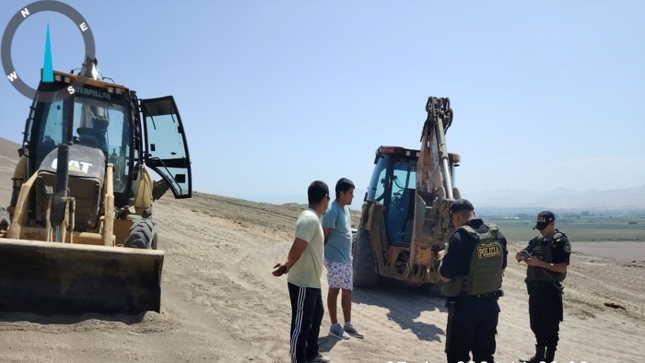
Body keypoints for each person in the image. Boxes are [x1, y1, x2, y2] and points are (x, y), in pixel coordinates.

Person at [438, 199, 508, 363]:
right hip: (491, 306)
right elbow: (502, 268)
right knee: (484, 356)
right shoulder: (497, 235)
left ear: (455, 217)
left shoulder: (458, 238)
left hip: (465, 308)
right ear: (473, 212)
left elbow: (445, 276)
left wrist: (441, 259)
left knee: (458, 355)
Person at [272, 180, 331, 363]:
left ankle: (312, 353)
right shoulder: (310, 219)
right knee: (302, 323)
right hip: (302, 282)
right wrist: (286, 266)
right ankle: (298, 359)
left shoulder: (313, 218)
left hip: (311, 281)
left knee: (317, 314)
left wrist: (286, 262)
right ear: (325, 198)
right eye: (328, 199)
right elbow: (297, 247)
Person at [516, 211, 571, 363]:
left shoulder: (560, 242)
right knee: (536, 324)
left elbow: (562, 268)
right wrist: (520, 256)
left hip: (550, 290)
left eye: (543, 226)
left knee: (551, 327)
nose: (541, 230)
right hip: (535, 290)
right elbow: (521, 257)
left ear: (552, 224)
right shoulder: (537, 240)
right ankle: (539, 356)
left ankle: (549, 358)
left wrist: (539, 263)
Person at [322, 178, 363, 340]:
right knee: (334, 290)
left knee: (347, 291)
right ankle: (334, 326)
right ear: (341, 193)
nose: (353, 196)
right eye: (350, 193)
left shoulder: (345, 210)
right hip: (334, 260)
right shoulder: (332, 212)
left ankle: (348, 324)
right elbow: (323, 237)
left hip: (346, 260)